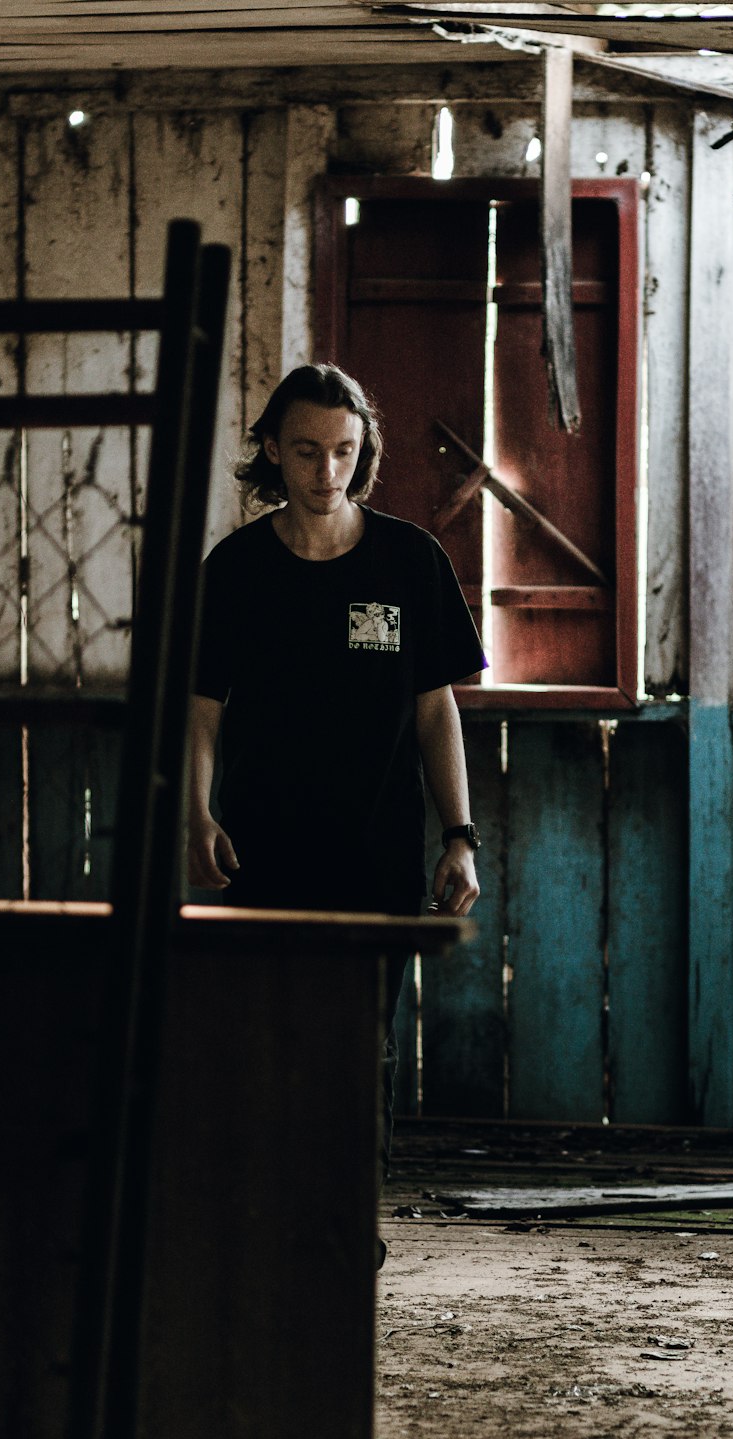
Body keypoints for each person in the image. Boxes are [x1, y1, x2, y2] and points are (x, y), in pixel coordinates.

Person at [186, 362, 485, 1203]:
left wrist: (460, 836)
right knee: (265, 1035)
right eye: (308, 452)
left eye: (344, 453)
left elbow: (437, 711)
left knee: (364, 1044)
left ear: (365, 454)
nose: (327, 473)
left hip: (377, 853)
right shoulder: (238, 568)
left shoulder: (409, 561)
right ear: (273, 452)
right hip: (263, 847)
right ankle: (263, 1209)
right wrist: (195, 814)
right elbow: (203, 707)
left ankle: (347, 1219)